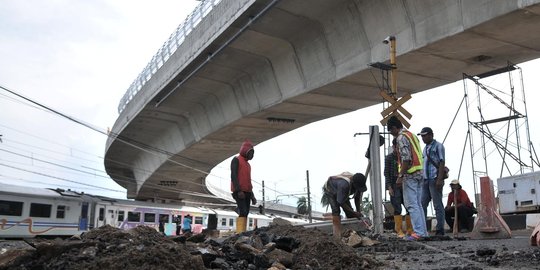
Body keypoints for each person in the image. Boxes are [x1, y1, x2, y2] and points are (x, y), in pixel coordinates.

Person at [387, 115, 428, 240]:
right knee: (418, 204)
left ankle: (418, 233)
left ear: (394, 128)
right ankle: (423, 232)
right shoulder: (411, 135)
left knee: (411, 204)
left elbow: (406, 158)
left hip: (410, 174)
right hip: (420, 172)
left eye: (391, 131)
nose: (392, 135)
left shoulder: (401, 137)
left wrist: (400, 176)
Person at [418, 127, 446, 236]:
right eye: (422, 136)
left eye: (425, 135)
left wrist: (439, 179)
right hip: (426, 180)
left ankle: (440, 229)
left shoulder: (439, 146)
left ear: (431, 135)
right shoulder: (425, 148)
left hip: (434, 178)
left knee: (437, 205)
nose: (423, 138)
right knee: (422, 204)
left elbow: (442, 162)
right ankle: (424, 228)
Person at [322, 171, 366, 240]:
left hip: (341, 191)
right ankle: (337, 237)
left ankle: (353, 235)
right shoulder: (344, 185)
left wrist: (358, 212)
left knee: (350, 213)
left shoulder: (358, 183)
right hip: (331, 189)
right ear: (353, 184)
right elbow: (340, 202)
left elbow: (357, 199)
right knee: (336, 211)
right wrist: (353, 212)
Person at [385, 138, 412, 237]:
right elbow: (386, 173)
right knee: (397, 208)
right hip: (394, 185)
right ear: (393, 147)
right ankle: (398, 230)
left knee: (409, 206)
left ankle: (410, 229)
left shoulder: (405, 157)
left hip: (405, 184)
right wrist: (389, 187)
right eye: (396, 147)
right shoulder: (388, 158)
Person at [230, 139, 257, 233]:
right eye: (251, 153)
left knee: (246, 213)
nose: (252, 155)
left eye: (253, 153)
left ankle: (243, 232)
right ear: (245, 151)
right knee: (243, 212)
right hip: (239, 192)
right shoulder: (236, 160)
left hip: (248, 192)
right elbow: (233, 175)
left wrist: (252, 196)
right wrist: (238, 190)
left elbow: (248, 181)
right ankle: (240, 233)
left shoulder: (248, 165)